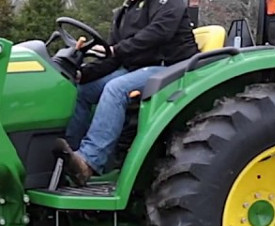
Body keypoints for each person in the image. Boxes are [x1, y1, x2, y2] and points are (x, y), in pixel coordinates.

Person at [55, 0, 200, 186]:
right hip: (139, 68)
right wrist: (82, 74)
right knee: (83, 91)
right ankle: (71, 157)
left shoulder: (168, 3)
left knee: (115, 89)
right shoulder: (124, 12)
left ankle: (89, 161)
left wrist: (116, 49)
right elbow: (114, 57)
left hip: (172, 66)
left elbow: (159, 32)